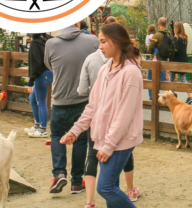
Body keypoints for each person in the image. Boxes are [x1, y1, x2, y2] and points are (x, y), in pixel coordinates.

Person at [61, 23, 144, 208]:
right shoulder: (105, 69)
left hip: (119, 141)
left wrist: (109, 146)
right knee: (111, 187)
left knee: (105, 187)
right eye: (100, 42)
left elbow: (124, 115)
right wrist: (75, 131)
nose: (100, 46)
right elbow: (93, 106)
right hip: (105, 139)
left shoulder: (130, 73)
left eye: (104, 42)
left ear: (116, 42)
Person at [45, 22, 100, 194]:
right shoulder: (92, 41)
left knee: (56, 135)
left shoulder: (51, 43)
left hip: (60, 99)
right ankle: (77, 182)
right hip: (83, 99)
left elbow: (49, 65)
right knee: (81, 140)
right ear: (78, 22)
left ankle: (59, 173)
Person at [26, 33, 53, 138]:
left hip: (42, 73)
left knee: (41, 101)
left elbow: (35, 64)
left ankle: (43, 129)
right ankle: (37, 125)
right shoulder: (49, 39)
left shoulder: (35, 44)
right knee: (32, 97)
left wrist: (31, 81)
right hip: (49, 72)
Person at [171, 22, 192, 105]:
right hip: (184, 60)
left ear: (177, 29)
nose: (173, 29)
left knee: (171, 79)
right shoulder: (185, 38)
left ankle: (172, 93)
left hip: (176, 61)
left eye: (174, 28)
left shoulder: (176, 39)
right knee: (184, 79)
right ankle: (189, 96)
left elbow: (176, 50)